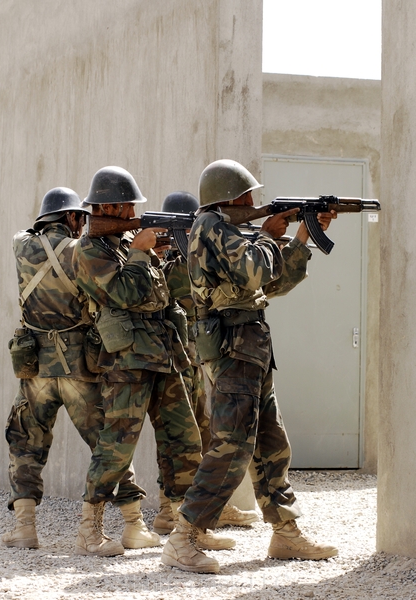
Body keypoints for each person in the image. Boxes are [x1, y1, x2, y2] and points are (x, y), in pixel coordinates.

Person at [161, 159, 339, 573]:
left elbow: (273, 283)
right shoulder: (211, 227)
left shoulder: (228, 232)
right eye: (248, 197)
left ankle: (285, 532)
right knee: (232, 446)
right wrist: (267, 234)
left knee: (271, 442)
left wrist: (300, 237)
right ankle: (183, 536)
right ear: (231, 197)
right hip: (233, 348)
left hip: (251, 347)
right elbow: (254, 269)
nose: (253, 203)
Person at [71, 166, 233, 557]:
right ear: (108, 206)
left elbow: (159, 296)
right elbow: (124, 293)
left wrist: (155, 254)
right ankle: (89, 530)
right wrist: (140, 252)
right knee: (117, 445)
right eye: (127, 205)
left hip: (163, 354)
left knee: (186, 441)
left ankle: (186, 526)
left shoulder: (125, 243)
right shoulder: (89, 250)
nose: (132, 212)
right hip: (126, 360)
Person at [3, 187, 155, 554]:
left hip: (35, 368)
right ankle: (134, 524)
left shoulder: (21, 244)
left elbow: (29, 233)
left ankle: (24, 528)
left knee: (25, 443)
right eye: (80, 218)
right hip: (79, 367)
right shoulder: (83, 249)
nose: (84, 224)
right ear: (72, 217)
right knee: (109, 443)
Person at [153, 191, 259, 535]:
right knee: (178, 436)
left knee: (200, 431)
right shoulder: (169, 263)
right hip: (173, 358)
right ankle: (170, 510)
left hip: (193, 355)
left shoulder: (184, 259)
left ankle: (198, 507)